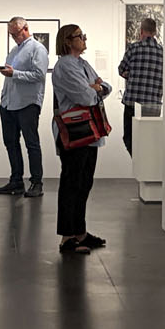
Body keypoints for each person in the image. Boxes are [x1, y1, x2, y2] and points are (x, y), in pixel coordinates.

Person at [50, 23, 112, 254]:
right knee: (72, 184)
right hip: (75, 131)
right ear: (68, 41)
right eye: (80, 36)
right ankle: (67, 237)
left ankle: (80, 232)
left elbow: (106, 86)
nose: (84, 39)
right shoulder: (65, 66)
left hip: (89, 132)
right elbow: (85, 96)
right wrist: (95, 88)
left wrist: (97, 87)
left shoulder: (82, 64)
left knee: (84, 183)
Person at [0, 16, 50, 197]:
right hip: (8, 103)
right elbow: (11, 75)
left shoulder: (38, 49)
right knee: (10, 142)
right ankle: (16, 181)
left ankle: (36, 182)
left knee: (31, 144)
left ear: (25, 28)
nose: (13, 37)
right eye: (11, 34)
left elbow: (39, 75)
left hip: (27, 103)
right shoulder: (14, 51)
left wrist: (14, 73)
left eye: (15, 33)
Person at [117, 16, 164, 155]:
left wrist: (131, 74)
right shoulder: (163, 52)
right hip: (153, 105)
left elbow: (121, 69)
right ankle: (146, 165)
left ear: (141, 31)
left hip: (132, 103)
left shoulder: (133, 48)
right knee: (149, 141)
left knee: (129, 138)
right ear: (155, 32)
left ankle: (137, 161)